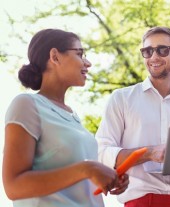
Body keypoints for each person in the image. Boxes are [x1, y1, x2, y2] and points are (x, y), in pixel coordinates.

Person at [3, 29, 129, 207]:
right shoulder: (27, 104)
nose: (88, 63)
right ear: (55, 56)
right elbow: (13, 186)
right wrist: (88, 169)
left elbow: (76, 179)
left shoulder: (73, 116)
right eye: (79, 54)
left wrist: (108, 177)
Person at [95, 26, 170, 207]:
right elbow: (102, 153)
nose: (154, 57)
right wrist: (150, 153)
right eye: (147, 51)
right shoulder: (121, 99)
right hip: (142, 202)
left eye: (162, 50)